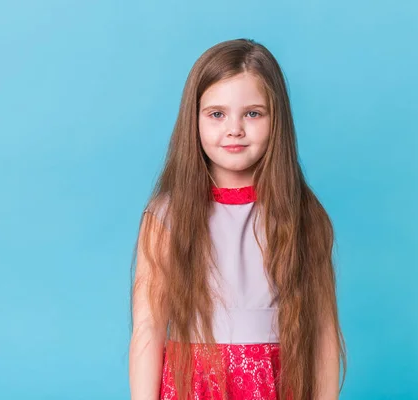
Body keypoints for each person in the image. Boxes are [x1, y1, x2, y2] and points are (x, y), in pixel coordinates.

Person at [129, 38, 347, 400]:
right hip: (194, 387)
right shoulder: (167, 216)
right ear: (193, 119)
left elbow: (324, 331)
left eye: (253, 113)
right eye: (217, 114)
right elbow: (148, 327)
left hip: (276, 385)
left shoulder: (303, 214)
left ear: (276, 119)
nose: (235, 129)